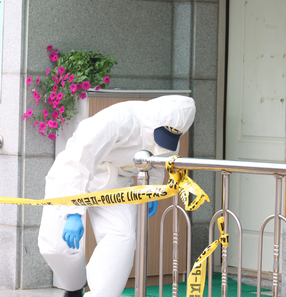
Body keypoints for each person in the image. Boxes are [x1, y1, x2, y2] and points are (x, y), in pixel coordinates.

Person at [37, 95, 196, 297]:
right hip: (73, 176)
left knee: (123, 238)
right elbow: (78, 162)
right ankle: (74, 287)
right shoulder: (119, 120)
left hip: (115, 184)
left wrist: (152, 192)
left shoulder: (169, 134)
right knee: (55, 246)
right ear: (156, 120)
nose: (166, 139)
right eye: (163, 134)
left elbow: (158, 160)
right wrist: (73, 213)